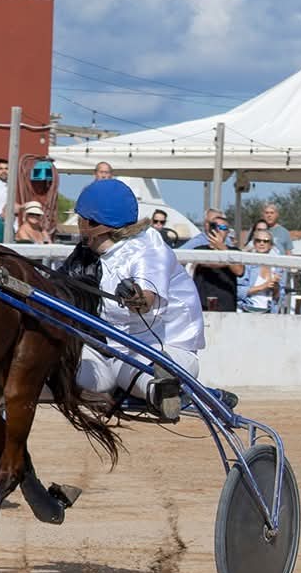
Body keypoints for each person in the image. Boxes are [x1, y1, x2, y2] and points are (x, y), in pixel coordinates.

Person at [71, 178, 203, 420]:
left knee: (133, 369)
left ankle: (162, 391)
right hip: (114, 348)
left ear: (96, 224)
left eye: (81, 219)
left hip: (166, 349)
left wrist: (134, 297)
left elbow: (147, 299)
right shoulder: (87, 253)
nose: (77, 225)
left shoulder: (147, 250)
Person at [188, 214, 243, 312]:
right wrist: (226, 263)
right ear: (209, 229)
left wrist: (222, 248)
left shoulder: (235, 251)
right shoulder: (198, 250)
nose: (218, 229)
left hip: (226, 306)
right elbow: (201, 263)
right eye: (214, 226)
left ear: (227, 232)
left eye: (222, 227)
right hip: (201, 306)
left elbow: (239, 271)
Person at [236, 229, 280, 312]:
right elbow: (239, 292)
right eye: (258, 240)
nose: (261, 243)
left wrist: (276, 288)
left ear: (271, 245)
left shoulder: (276, 267)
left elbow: (278, 298)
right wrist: (264, 286)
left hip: (268, 311)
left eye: (266, 241)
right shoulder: (247, 265)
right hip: (248, 310)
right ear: (254, 244)